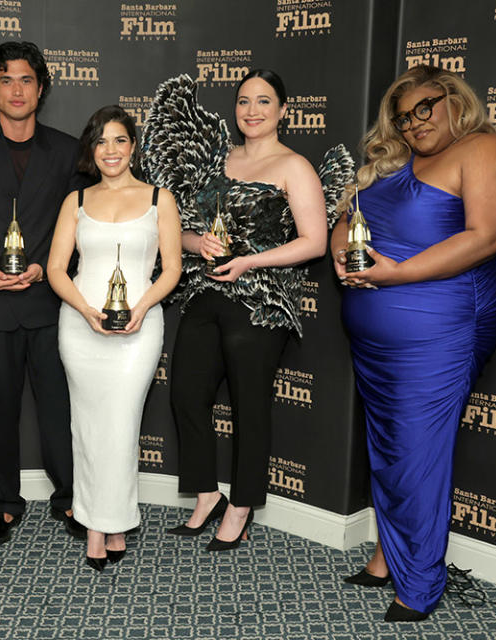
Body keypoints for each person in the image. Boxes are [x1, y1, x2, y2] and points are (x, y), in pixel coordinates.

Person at [333, 65, 496, 622]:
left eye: (425, 107)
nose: (415, 122)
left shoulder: (484, 149)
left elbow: (488, 236)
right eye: (403, 115)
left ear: (453, 100)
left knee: (419, 448)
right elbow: (347, 221)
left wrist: (394, 275)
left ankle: (418, 583)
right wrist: (346, 256)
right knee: (390, 442)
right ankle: (386, 557)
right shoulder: (393, 164)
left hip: (442, 327)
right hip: (374, 335)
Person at [141, 71, 353, 551]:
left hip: (261, 304)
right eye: (243, 101)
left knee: (249, 406)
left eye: (263, 101)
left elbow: (315, 242)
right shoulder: (219, 159)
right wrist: (197, 242)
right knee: (186, 395)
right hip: (205, 293)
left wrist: (249, 261)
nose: (252, 110)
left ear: (283, 110)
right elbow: (186, 231)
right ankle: (207, 494)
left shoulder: (293, 166)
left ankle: (241, 506)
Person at [0, 41, 86, 546]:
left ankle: (70, 496)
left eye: (26, 79)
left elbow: (78, 224)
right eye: (6, 80)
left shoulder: (69, 150)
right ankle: (5, 500)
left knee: (58, 409)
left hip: (50, 300)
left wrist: (44, 267)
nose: (16, 89)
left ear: (41, 87)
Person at [47, 106, 181, 570]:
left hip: (138, 328)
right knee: (86, 427)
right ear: (91, 149)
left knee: (121, 426)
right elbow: (56, 270)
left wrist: (141, 309)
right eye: (101, 141)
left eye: (120, 140)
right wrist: (85, 311)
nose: (110, 150)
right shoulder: (76, 202)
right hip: (81, 325)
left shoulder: (160, 199)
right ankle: (95, 525)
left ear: (133, 147)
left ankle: (116, 520)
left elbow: (173, 269)